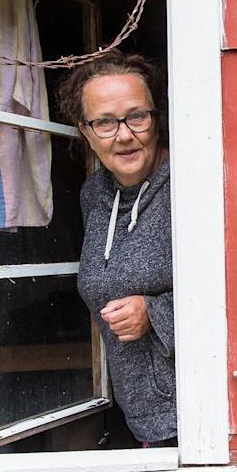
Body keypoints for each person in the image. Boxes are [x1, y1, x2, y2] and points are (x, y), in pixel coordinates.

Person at [58, 54, 177, 447]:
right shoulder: (94, 194)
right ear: (86, 131)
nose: (124, 135)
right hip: (139, 417)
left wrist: (155, 312)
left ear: (156, 119)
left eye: (136, 117)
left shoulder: (187, 184)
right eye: (105, 122)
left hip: (196, 416)